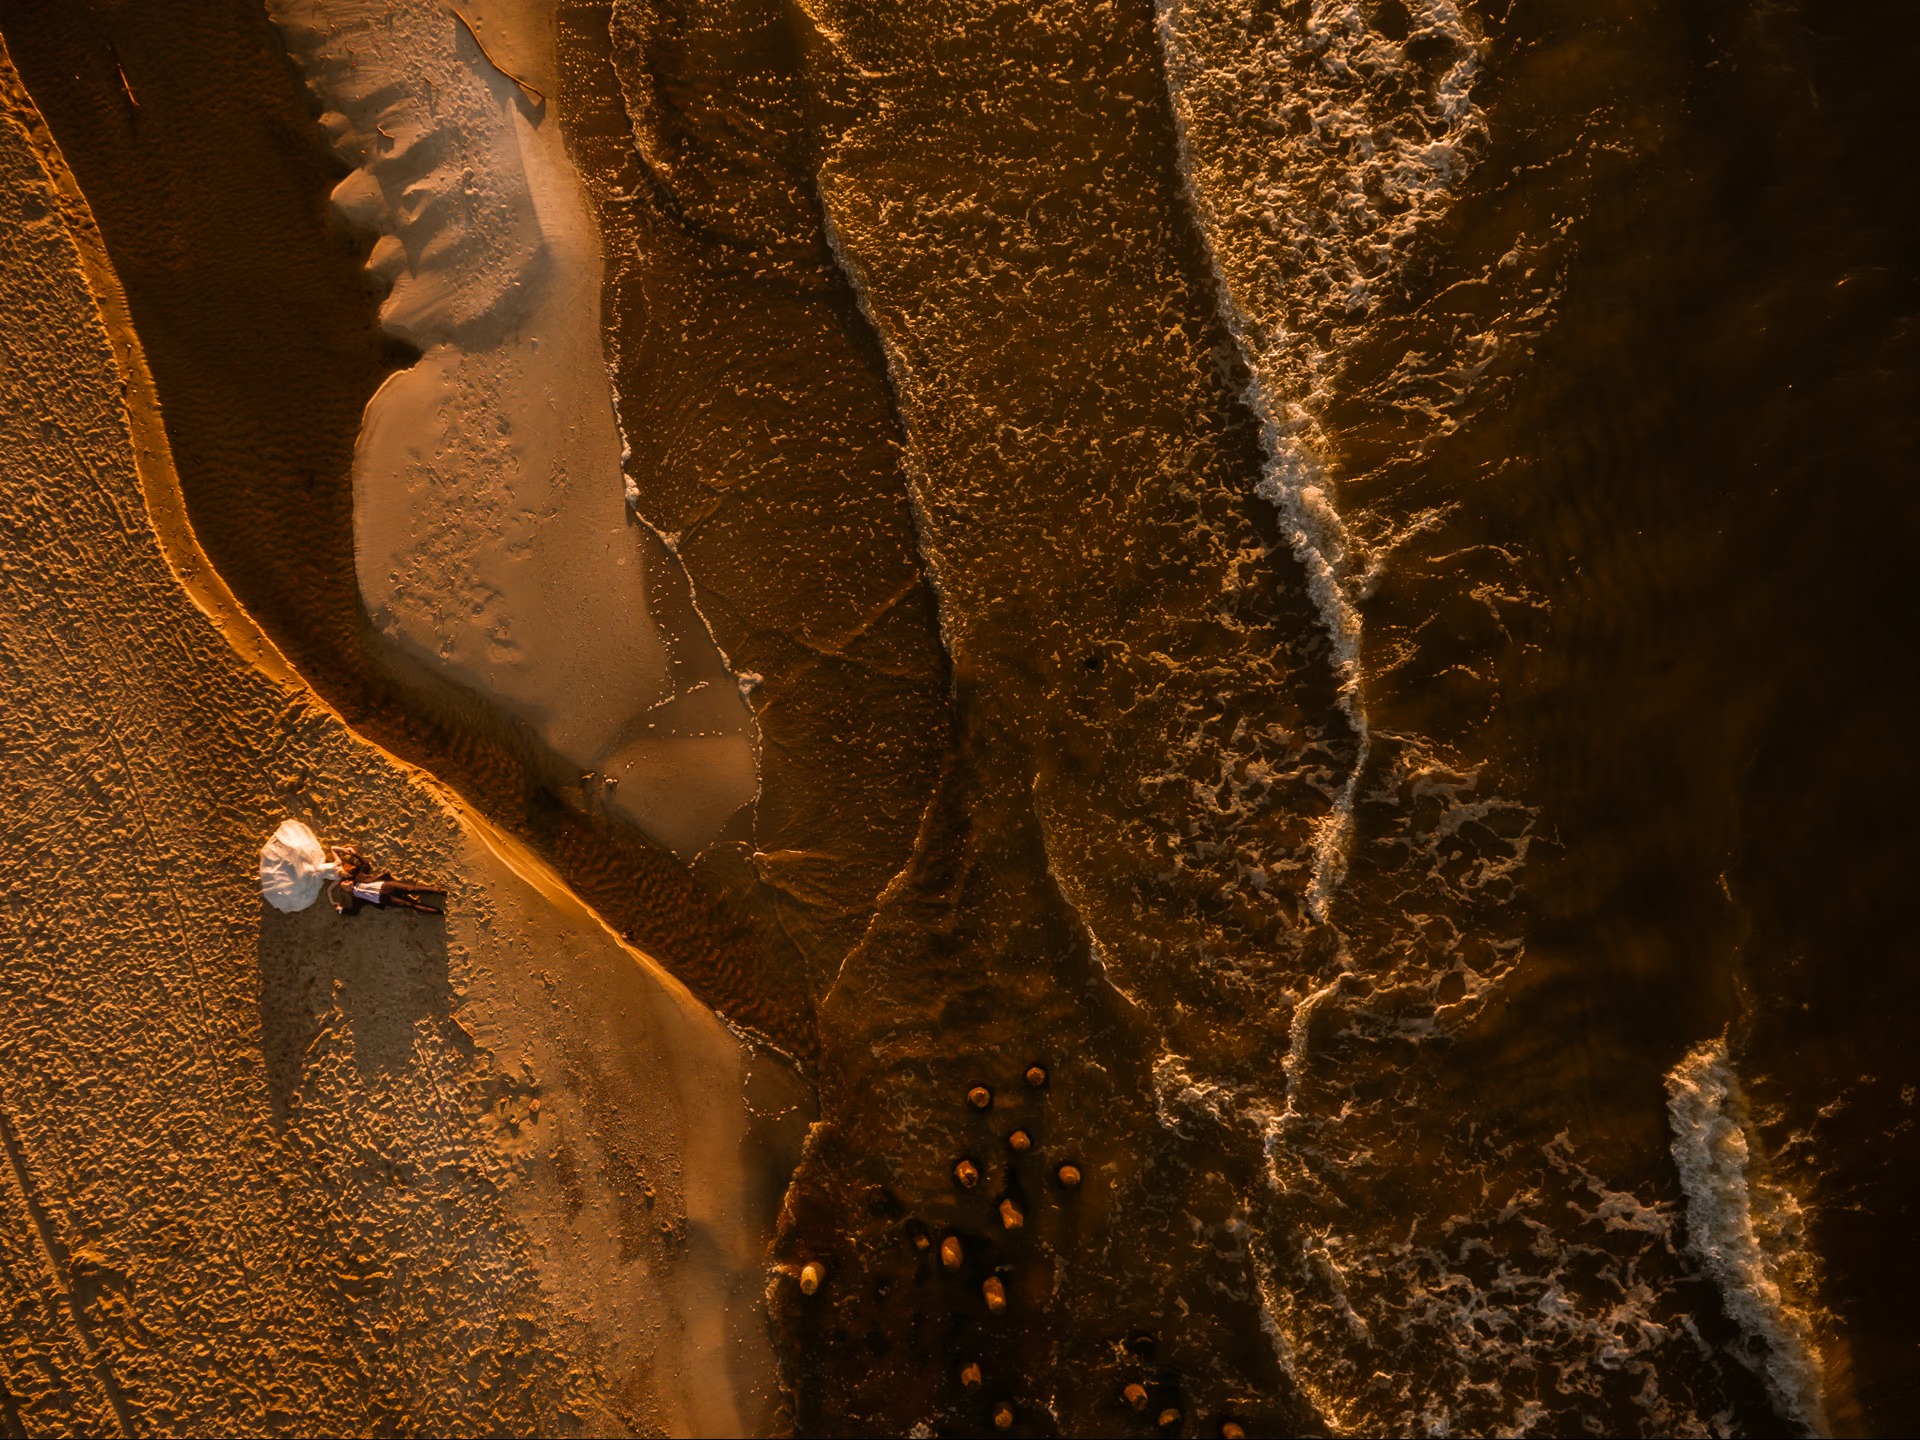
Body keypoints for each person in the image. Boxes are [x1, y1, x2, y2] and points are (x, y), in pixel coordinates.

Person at [327, 846, 446, 916]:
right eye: (344, 887)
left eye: (345, 883)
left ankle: (439, 891)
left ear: (349, 881)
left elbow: (365, 864)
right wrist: (341, 910)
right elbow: (354, 912)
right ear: (347, 891)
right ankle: (438, 912)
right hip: (385, 900)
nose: (346, 884)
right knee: (410, 905)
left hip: (387, 887)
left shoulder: (359, 877)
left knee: (412, 889)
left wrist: (354, 854)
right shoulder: (356, 898)